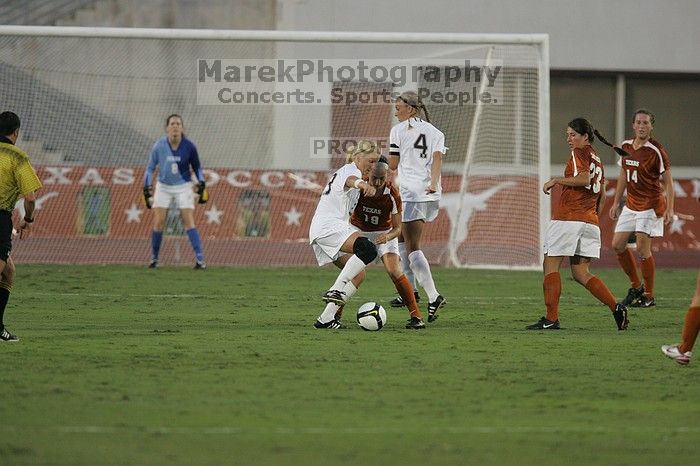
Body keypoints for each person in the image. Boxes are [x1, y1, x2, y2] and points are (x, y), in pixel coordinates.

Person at [526, 118, 628, 331]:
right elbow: (601, 191)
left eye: (573, 135)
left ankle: (551, 318)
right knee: (581, 273)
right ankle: (616, 307)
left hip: (568, 219)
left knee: (550, 264)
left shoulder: (580, 153)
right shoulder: (596, 158)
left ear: (585, 136)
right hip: (589, 221)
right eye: (568, 135)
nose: (569, 139)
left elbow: (583, 179)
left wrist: (556, 180)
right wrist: (593, 217)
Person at [324, 159, 427, 329]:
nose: (378, 182)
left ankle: (416, 316)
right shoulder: (359, 189)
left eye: (381, 178)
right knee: (354, 273)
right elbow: (344, 184)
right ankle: (335, 314)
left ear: (387, 175)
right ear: (367, 175)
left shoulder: (393, 194)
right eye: (374, 178)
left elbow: (398, 228)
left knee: (394, 270)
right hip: (357, 231)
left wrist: (387, 237)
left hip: (384, 233)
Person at [387, 91, 446, 323]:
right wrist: (432, 184)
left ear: (410, 109)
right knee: (402, 242)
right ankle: (409, 292)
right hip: (430, 193)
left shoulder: (398, 131)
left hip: (411, 193)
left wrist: (375, 159)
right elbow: (438, 159)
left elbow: (393, 164)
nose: (396, 111)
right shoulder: (435, 132)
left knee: (412, 246)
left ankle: (433, 296)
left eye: (399, 107)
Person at [310, 140, 379, 329]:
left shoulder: (353, 173)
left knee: (358, 274)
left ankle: (325, 319)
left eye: (376, 162)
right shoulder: (351, 171)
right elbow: (351, 181)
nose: (373, 166)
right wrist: (361, 185)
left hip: (325, 229)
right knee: (368, 250)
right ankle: (334, 290)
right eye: (370, 161)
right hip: (329, 227)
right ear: (358, 158)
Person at [609, 109, 674, 308]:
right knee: (617, 245)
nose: (642, 126)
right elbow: (623, 173)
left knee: (642, 248)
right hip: (631, 204)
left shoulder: (657, 151)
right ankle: (636, 286)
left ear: (651, 126)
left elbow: (669, 183)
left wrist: (670, 208)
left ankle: (648, 295)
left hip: (650, 205)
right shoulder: (626, 146)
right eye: (639, 122)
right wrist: (615, 202)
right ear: (633, 125)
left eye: (646, 123)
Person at [143, 114, 208, 269]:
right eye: (172, 123)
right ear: (167, 128)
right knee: (158, 222)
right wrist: (147, 187)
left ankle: (200, 260)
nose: (175, 126)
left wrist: (202, 183)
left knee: (188, 221)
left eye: (178, 123)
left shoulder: (190, 147)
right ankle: (154, 259)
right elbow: (150, 168)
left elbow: (197, 167)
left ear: (182, 128)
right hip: (163, 186)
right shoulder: (159, 146)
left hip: (183, 186)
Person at [0, 111, 42, 342]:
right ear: (16, 132)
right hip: (0, 217)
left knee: (8, 272)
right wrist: (28, 220)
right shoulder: (17, 157)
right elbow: (31, 197)